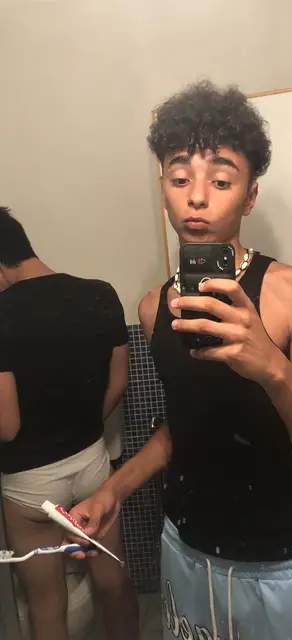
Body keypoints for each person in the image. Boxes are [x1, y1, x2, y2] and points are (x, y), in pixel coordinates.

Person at [69, 81, 292, 640]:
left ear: (249, 196)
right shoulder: (153, 307)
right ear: (164, 189)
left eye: (221, 181)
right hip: (186, 549)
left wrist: (271, 366)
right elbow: (185, 427)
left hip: (281, 561)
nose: (197, 197)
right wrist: (111, 492)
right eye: (180, 179)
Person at [0, 207, 138, 640]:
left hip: (31, 488)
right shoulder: (100, 293)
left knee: (47, 606)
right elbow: (119, 382)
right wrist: (82, 425)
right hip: (93, 465)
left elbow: (7, 426)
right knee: (113, 581)